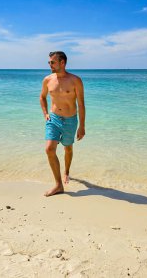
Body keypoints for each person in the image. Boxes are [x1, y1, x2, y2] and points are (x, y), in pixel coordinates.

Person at [40, 51, 85, 197]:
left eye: (52, 62)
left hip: (70, 120)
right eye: (49, 62)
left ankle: (66, 171)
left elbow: (81, 104)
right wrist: (46, 113)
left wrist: (82, 126)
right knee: (49, 149)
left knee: (68, 149)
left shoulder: (75, 80)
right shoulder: (47, 80)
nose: (50, 65)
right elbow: (42, 97)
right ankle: (58, 185)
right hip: (53, 119)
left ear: (62, 63)